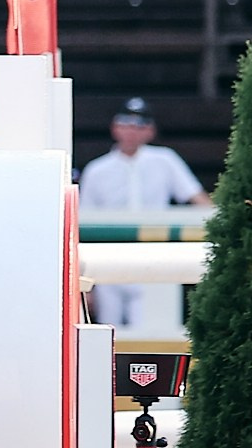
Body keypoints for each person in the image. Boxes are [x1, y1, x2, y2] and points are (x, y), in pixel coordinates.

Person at [78, 97, 211, 328]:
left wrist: (222, 222)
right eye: (125, 124)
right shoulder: (97, 170)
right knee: (108, 327)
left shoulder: (165, 160)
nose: (132, 131)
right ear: (115, 127)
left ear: (150, 130)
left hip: (155, 254)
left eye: (139, 125)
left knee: (154, 328)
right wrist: (85, 283)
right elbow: (82, 223)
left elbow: (196, 197)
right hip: (110, 256)